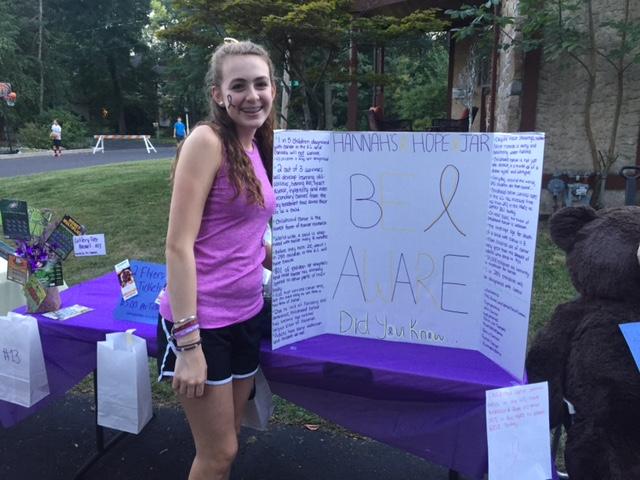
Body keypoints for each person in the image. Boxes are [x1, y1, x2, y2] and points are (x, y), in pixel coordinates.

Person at [157, 38, 276, 480]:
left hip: (247, 315)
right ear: (218, 94)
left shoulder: (254, 144)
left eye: (260, 84)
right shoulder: (207, 141)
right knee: (217, 452)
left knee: (229, 442)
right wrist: (188, 345)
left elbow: (237, 232)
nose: (252, 96)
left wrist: (278, 256)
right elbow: (178, 245)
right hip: (202, 322)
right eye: (239, 85)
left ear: (273, 89)